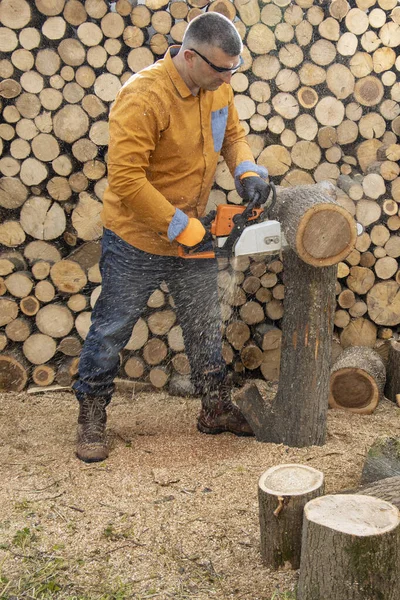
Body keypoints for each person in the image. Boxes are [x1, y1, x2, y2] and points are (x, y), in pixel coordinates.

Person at [73, 12, 271, 463]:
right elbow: (125, 179)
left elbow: (234, 138)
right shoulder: (144, 96)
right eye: (222, 69)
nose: (228, 78)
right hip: (136, 237)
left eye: (233, 70)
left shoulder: (217, 87)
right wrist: (183, 227)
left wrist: (247, 172)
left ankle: (214, 407)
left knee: (204, 323)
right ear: (189, 55)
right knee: (112, 327)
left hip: (192, 234)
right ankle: (91, 412)